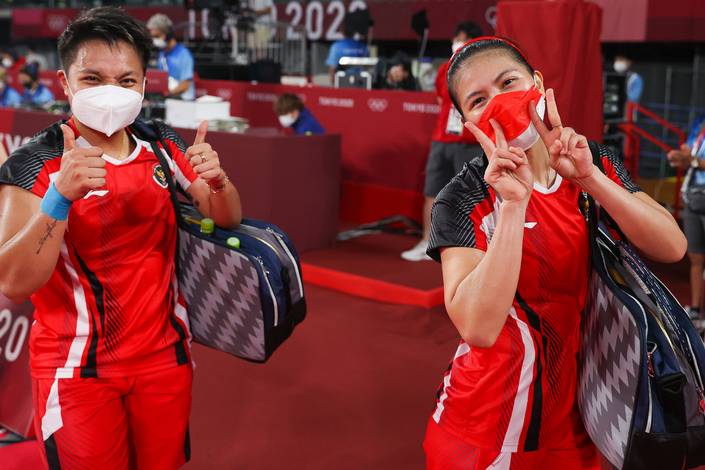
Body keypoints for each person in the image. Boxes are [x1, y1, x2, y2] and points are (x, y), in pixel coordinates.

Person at [423, 37, 685, 469]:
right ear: (466, 120)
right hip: (489, 427)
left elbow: (671, 246)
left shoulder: (593, 160)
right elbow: (478, 328)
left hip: (587, 417)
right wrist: (513, 206)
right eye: (478, 100)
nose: (500, 102)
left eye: (509, 82)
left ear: (538, 83)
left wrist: (591, 180)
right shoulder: (464, 197)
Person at [0, 7, 242, 468]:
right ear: (65, 82)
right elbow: (13, 281)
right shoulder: (35, 162)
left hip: (164, 359)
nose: (111, 92)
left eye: (126, 81)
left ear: (145, 84)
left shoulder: (161, 143)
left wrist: (218, 183)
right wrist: (59, 198)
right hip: (76, 369)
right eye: (92, 78)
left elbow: (227, 218)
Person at [402, 22, 482, 261]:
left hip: (470, 142)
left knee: (471, 196)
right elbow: (440, 99)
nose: (456, 43)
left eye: (460, 38)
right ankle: (427, 242)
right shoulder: (445, 68)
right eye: (456, 38)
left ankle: (471, 248)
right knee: (432, 192)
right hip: (442, 140)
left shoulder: (481, 69)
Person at [667, 116, 705, 331]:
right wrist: (679, 156)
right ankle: (696, 309)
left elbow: (694, 159)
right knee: (696, 257)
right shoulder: (700, 123)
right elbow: (689, 154)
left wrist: (691, 160)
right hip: (693, 196)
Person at [147, 13, 195, 100]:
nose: (154, 40)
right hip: (168, 100)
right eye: (153, 37)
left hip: (184, 102)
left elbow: (185, 86)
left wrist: (165, 95)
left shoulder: (184, 54)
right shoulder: (162, 54)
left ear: (168, 34)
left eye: (157, 36)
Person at [326, 15, 369, 85]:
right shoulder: (364, 47)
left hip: (341, 87)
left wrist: (333, 86)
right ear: (355, 31)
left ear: (342, 30)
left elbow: (332, 70)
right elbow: (368, 70)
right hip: (361, 86)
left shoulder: (336, 47)